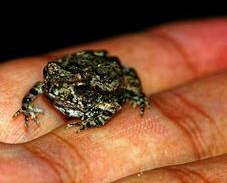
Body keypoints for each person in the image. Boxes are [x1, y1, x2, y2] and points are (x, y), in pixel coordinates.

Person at [0, 18, 227, 183]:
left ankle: (134, 93)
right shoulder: (51, 85)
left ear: (83, 90)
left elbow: (114, 103)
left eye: (73, 88)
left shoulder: (97, 97)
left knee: (128, 84)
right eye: (49, 75)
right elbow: (40, 87)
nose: (52, 87)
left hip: (106, 79)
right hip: (84, 67)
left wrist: (92, 120)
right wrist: (26, 107)